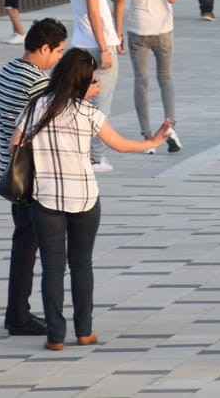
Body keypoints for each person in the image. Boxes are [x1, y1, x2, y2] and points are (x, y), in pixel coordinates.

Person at [12, 48, 173, 350]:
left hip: (45, 199)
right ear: (81, 82)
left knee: (52, 268)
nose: (98, 85)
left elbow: (14, 146)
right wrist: (154, 141)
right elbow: (122, 146)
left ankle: (55, 336)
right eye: (94, 81)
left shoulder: (36, 107)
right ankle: (84, 331)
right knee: (81, 264)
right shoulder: (89, 114)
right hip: (85, 198)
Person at [0, 18, 66, 337]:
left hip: (9, 171)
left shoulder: (8, 69)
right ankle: (18, 316)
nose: (59, 59)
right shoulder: (36, 82)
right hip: (32, 175)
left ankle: (18, 311)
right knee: (26, 247)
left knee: (24, 243)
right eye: (59, 51)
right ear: (44, 48)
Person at [117, 0, 183, 152]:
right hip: (164, 26)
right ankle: (170, 125)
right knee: (165, 77)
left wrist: (117, 32)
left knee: (140, 81)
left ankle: (147, 138)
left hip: (138, 27)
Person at [65, 0, 121, 171]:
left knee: (81, 102)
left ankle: (81, 153)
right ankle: (96, 158)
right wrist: (105, 48)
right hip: (99, 45)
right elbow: (95, 13)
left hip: (80, 44)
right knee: (101, 104)